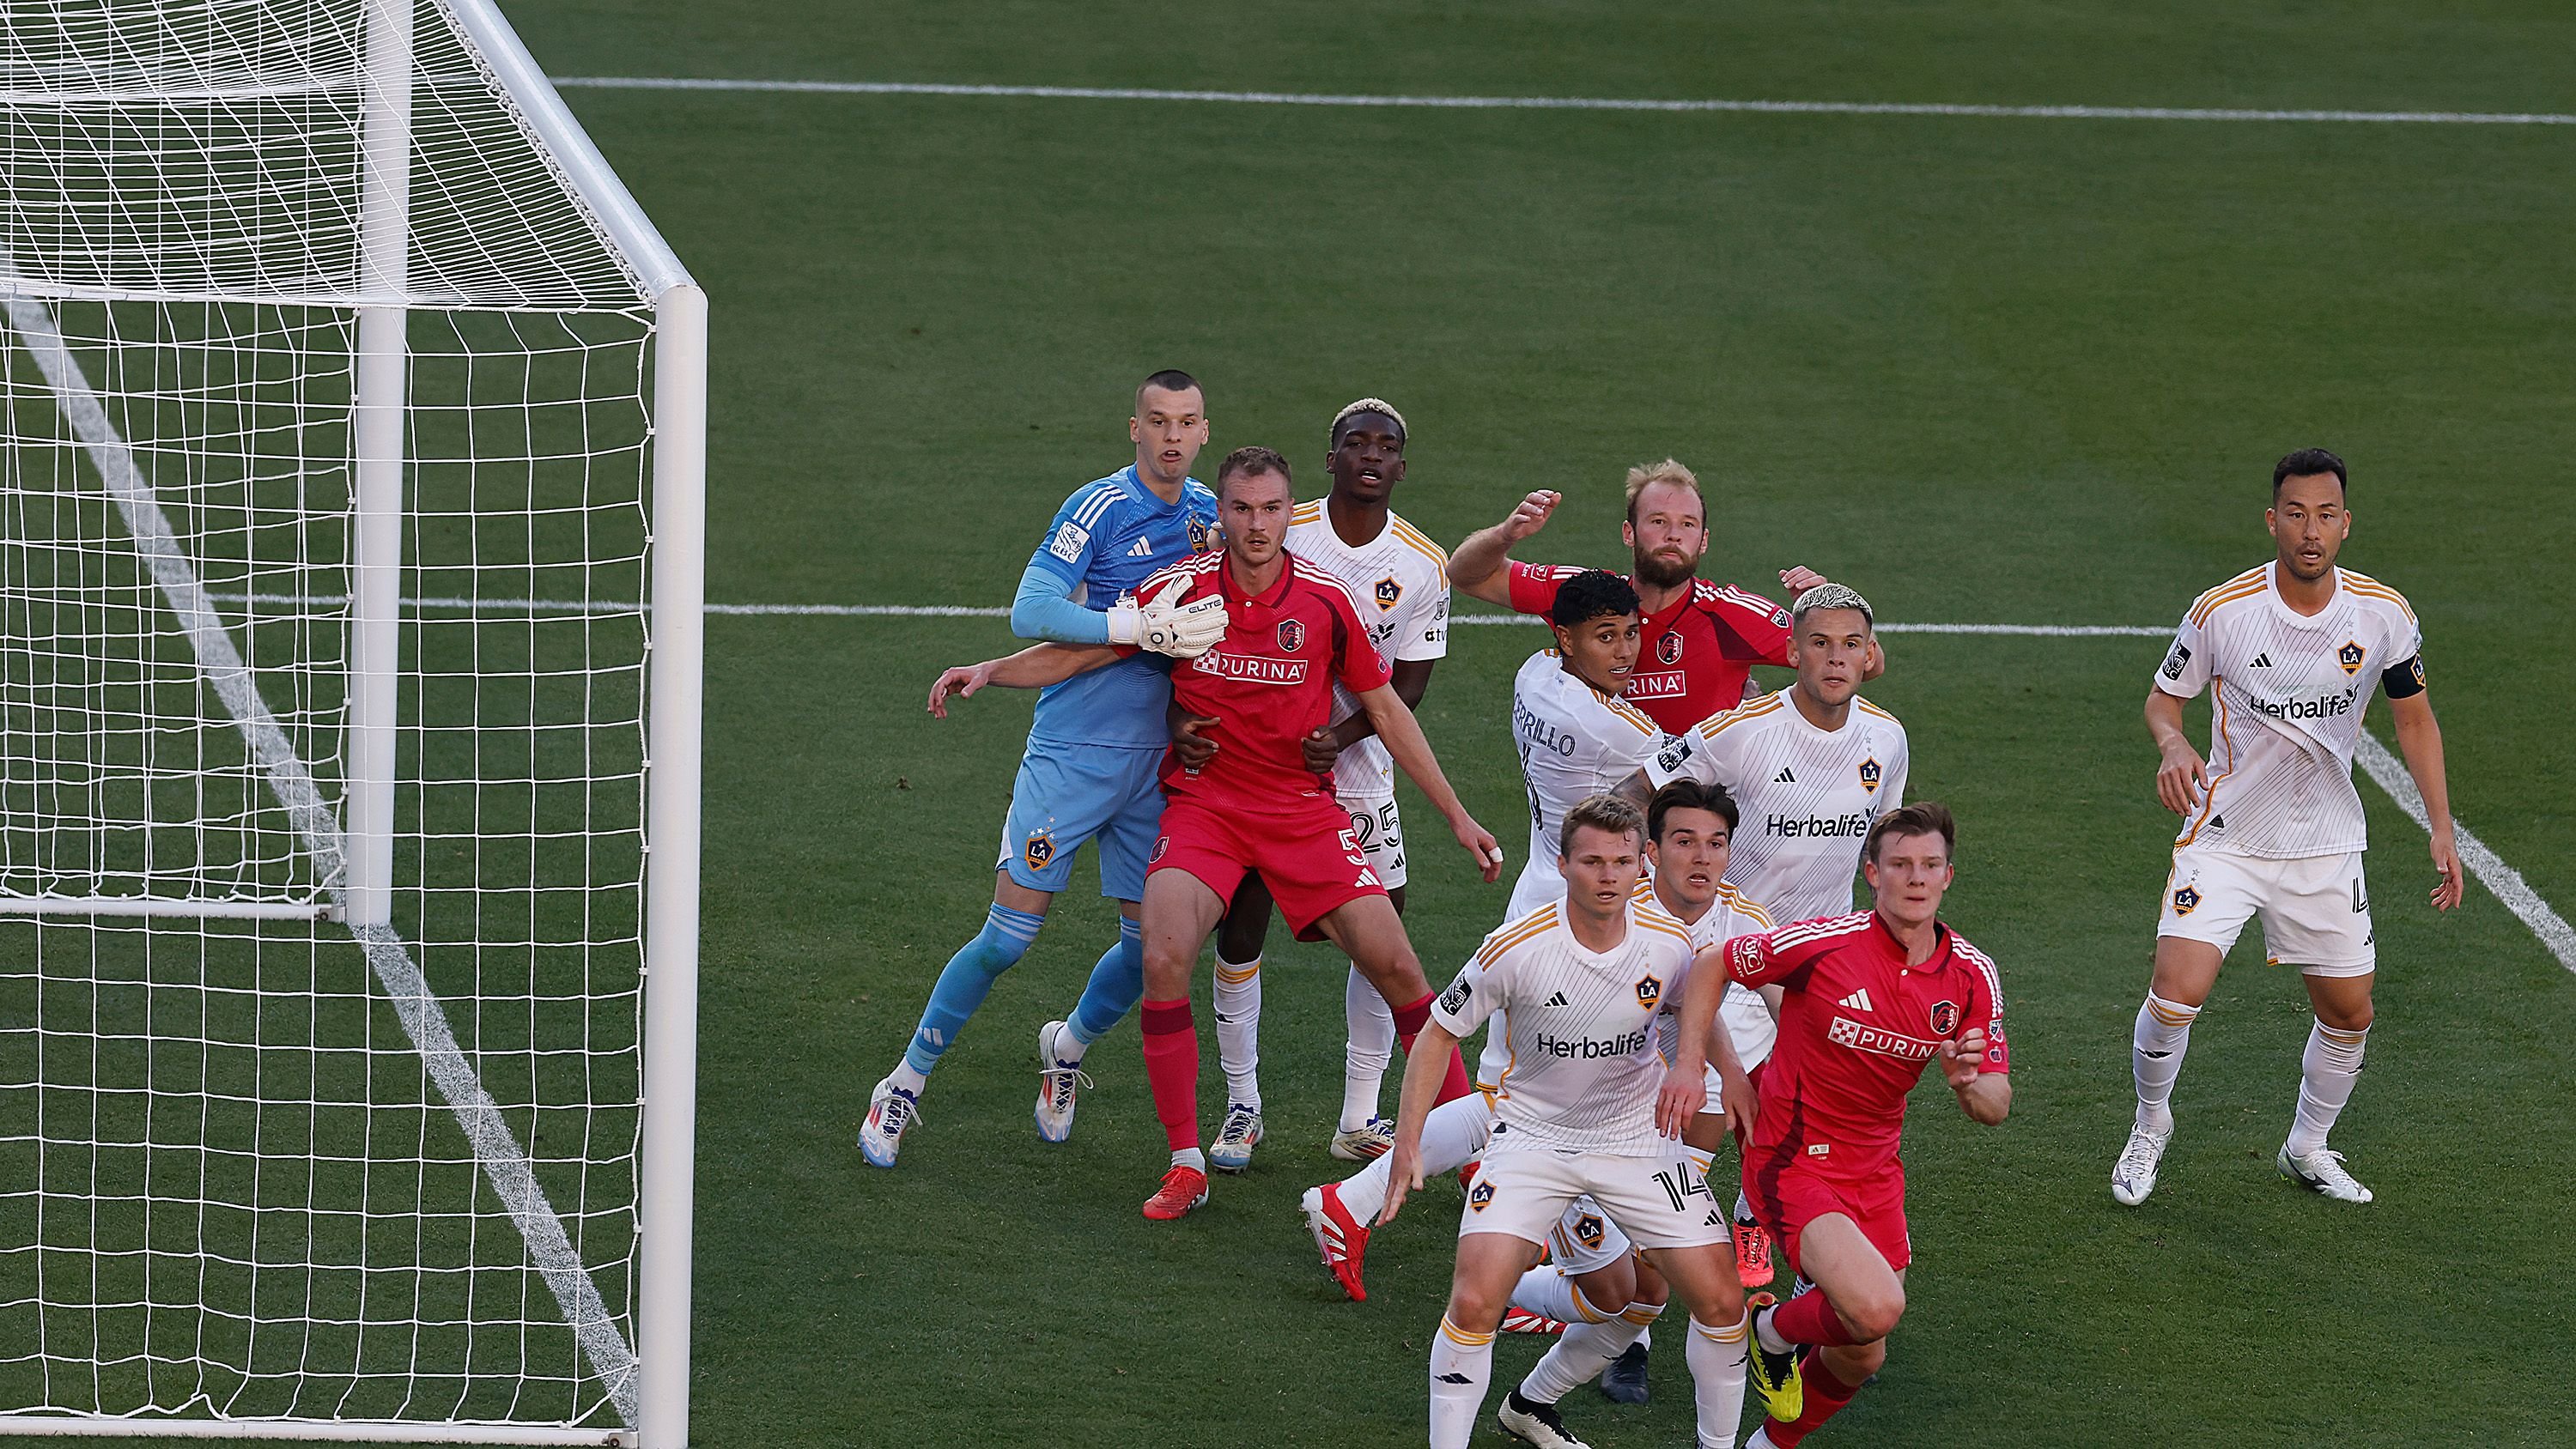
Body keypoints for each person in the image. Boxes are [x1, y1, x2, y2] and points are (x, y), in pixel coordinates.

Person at [945, 446, 1502, 1219]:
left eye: (1271, 509)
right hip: (1206, 809)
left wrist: (1457, 816)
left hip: (1300, 812)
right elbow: (1083, 652)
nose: (1257, 524)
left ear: (1288, 513)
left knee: (1401, 971)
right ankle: (1186, 1164)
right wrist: (992, 669)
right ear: (1223, 512)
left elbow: (1386, 709)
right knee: (1163, 956)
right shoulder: (1180, 593)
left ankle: (1475, 1161)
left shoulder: (1327, 601)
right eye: (1241, 509)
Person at [1297, 782, 1767, 1418]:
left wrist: (1726, 1072)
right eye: (1684, 842)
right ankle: (1445, 1253)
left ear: (1640, 862)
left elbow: (1699, 1002)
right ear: (1569, 864)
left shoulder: (1691, 934)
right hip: (1541, 1131)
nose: (1700, 857)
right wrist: (1405, 1143)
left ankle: (1531, 1396)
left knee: (1650, 1296)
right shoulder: (1533, 942)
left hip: (1634, 1132)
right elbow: (1442, 1035)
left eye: (1715, 844)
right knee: (1489, 1279)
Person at [860, 370, 1224, 1168]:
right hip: (1072, 759)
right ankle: (903, 1084)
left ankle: (1068, 1047)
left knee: (1152, 950)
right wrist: (1132, 624)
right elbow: (1033, 609)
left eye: (1186, 422)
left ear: (1204, 431)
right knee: (1006, 939)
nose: (1171, 437)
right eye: (1158, 421)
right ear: (1134, 428)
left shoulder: (1212, 516)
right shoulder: (1099, 507)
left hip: (1164, 770)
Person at [2113, 447, 2461, 1208]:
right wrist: (2172, 743)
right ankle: (2149, 1123)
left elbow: (2415, 719)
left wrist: (2441, 825)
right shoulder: (2224, 610)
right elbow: (2164, 700)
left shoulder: (2383, 614)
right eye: (2297, 514)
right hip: (2228, 837)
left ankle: (2307, 1147)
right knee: (2175, 993)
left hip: (2325, 843)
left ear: (2346, 524)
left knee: (2349, 1012)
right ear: (2273, 521)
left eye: (2326, 515)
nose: (2311, 531)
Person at [1660, 803, 2010, 1449]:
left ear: (1948, 876)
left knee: (1861, 1351)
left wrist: (1969, 1084)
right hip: (1792, 1157)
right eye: (1900, 865)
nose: (1915, 878)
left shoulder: (1971, 975)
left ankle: (1767, 1437)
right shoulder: (1822, 944)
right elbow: (1713, 965)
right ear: (1872, 874)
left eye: (1929, 865)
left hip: (1875, 1169)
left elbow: (1995, 1103)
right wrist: (1698, 1067)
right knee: (1877, 1306)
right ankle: (1767, 1332)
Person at [1173, 398, 1453, 1173]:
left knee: (1384, 941)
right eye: (1356, 443)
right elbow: (1198, 637)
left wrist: (1342, 736)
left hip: (1360, 775)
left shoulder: (1422, 564)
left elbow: (1406, 688)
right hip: (1260, 778)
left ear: (1402, 465)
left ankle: (1360, 1116)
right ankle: (1242, 1106)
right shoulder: (1274, 523)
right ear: (1331, 459)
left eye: (1386, 446)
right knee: (1241, 928)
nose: (1371, 456)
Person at [1446, 458, 1873, 733]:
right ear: (1629, 533)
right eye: (1658, 521)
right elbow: (1465, 575)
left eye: (1687, 525)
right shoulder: (1585, 597)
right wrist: (1505, 535)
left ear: (1703, 541)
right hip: (1600, 823)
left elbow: (1865, 663)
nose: (1673, 535)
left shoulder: (1731, 615)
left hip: (1695, 824)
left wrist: (1834, 609)